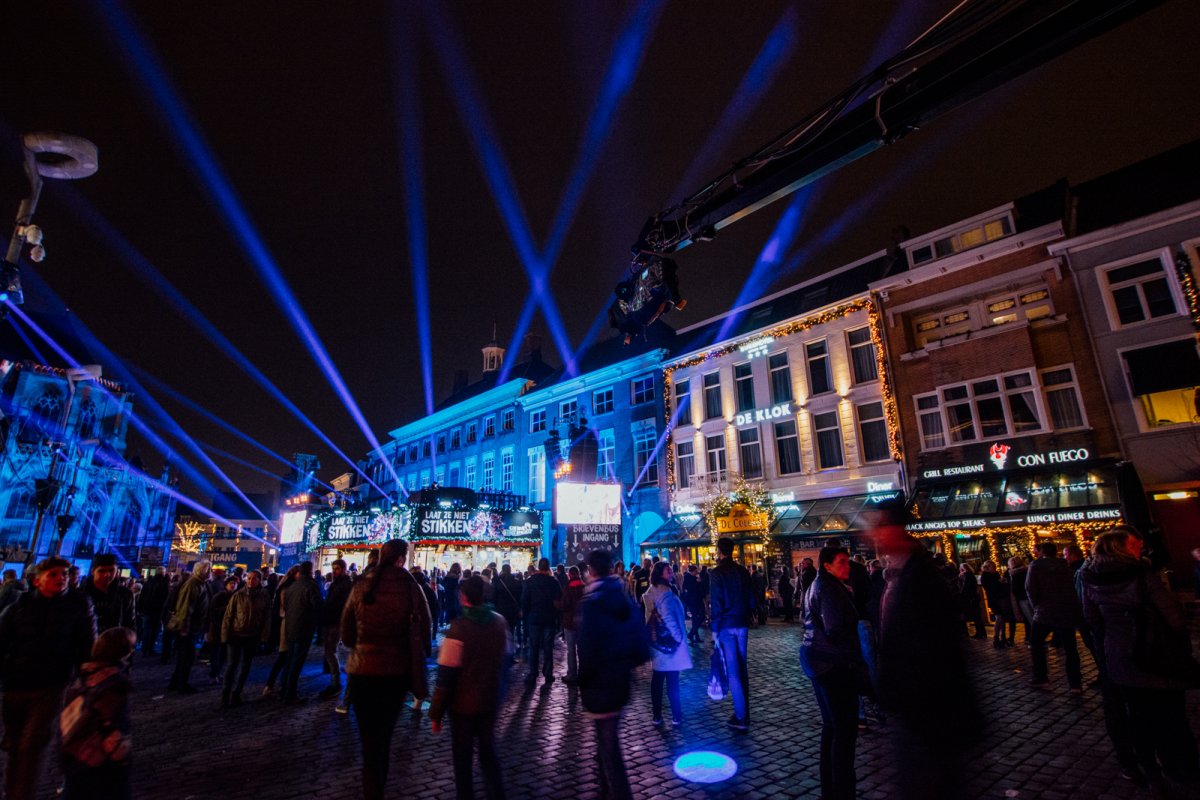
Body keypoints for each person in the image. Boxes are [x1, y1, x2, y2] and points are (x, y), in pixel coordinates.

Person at [1082, 528, 1200, 794]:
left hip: (1121, 659)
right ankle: (1182, 770)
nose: (1139, 550)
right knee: (1173, 717)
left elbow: (1092, 620)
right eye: (1134, 546)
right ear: (1121, 548)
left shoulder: (1089, 577)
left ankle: (1150, 771)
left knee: (1138, 718)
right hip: (1157, 654)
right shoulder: (1141, 575)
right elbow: (1174, 619)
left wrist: (1112, 642)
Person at [873, 514, 980, 800]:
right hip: (919, 706)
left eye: (880, 529)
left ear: (895, 531)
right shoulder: (910, 572)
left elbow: (929, 644)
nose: (874, 537)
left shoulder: (919, 577)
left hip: (926, 708)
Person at [341, 539, 431, 800]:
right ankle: (377, 787)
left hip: (362, 670)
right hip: (395, 672)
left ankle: (371, 788)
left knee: (369, 743)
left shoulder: (362, 585)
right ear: (401, 558)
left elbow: (347, 634)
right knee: (384, 738)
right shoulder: (411, 587)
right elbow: (425, 628)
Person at [0, 556, 96, 800]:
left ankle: (22, 793)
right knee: (13, 743)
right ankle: (13, 789)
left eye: (64, 574)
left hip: (52, 683)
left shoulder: (77, 605)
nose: (60, 579)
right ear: (37, 580)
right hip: (15, 683)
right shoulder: (18, 607)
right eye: (53, 574)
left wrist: (85, 674)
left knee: (33, 744)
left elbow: (86, 643)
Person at [429, 576, 511, 800]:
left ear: (464, 597)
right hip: (490, 698)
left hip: (463, 704)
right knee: (488, 753)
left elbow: (446, 676)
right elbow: (507, 659)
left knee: (463, 758)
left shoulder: (458, 628)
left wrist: (436, 713)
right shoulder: (499, 622)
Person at [578, 550, 648, 800]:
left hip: (599, 683)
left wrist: (583, 680)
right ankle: (605, 786)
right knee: (605, 740)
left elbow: (586, 648)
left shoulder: (591, 603)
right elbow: (640, 643)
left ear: (590, 570)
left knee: (609, 745)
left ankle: (618, 792)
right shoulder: (623, 597)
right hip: (620, 680)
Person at [800, 546, 862, 800]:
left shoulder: (822, 585)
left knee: (833, 727)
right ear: (827, 565)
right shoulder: (828, 588)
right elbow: (835, 628)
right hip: (832, 663)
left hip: (818, 659)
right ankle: (842, 790)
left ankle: (831, 788)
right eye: (842, 562)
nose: (847, 566)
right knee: (844, 729)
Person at [59, 627, 135, 800]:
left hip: (75, 756)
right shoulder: (114, 685)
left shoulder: (81, 679)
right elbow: (110, 726)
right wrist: (122, 758)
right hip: (98, 760)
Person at [709, 537, 753, 731]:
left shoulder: (717, 573)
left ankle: (741, 716)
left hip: (726, 625)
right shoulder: (742, 571)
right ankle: (745, 711)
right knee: (742, 668)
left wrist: (715, 630)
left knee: (733, 671)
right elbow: (751, 598)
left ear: (719, 551)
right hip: (741, 623)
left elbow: (716, 603)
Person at [1026, 542, 1082, 690]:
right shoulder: (1064, 565)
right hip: (1066, 609)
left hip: (1045, 610)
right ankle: (1075, 682)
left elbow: (1030, 588)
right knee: (1070, 647)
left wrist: (1036, 606)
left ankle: (1041, 676)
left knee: (1036, 642)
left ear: (1041, 552)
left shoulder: (1036, 565)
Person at [643, 561, 691, 726]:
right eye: (667, 570)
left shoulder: (652, 591)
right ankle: (676, 715)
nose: (670, 572)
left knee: (657, 679)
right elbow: (669, 617)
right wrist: (678, 638)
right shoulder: (665, 593)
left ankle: (657, 715)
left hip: (657, 642)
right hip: (669, 642)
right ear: (660, 574)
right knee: (672, 680)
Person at [220, 569, 271, 707]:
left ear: (259, 580)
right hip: (236, 634)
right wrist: (225, 635)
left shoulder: (264, 596)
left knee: (245, 666)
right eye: (249, 578)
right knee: (232, 665)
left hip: (252, 635)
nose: (250, 581)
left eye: (254, 578)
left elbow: (266, 618)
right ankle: (225, 694)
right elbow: (228, 616)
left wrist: (264, 637)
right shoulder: (238, 595)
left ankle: (237, 693)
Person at [165, 561, 211, 694]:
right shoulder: (193, 584)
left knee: (185, 656)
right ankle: (181, 684)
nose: (210, 573)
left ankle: (175, 682)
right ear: (201, 571)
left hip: (193, 627)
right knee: (186, 657)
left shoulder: (200, 584)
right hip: (187, 628)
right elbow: (185, 607)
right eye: (208, 570)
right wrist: (184, 627)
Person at [281, 561, 323, 704]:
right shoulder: (311, 586)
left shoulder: (292, 586)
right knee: (296, 662)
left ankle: (284, 689)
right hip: (303, 627)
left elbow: (286, 606)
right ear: (310, 570)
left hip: (291, 627)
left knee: (289, 660)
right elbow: (317, 606)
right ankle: (290, 694)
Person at [520, 558, 561, 689]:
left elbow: (524, 600)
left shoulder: (530, 582)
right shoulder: (553, 582)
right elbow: (558, 600)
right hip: (549, 618)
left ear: (539, 567)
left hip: (534, 617)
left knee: (534, 646)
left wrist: (526, 613)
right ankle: (548, 673)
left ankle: (533, 674)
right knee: (548, 647)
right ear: (548, 568)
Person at [319, 558, 353, 702]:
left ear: (344, 569)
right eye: (333, 569)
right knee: (330, 651)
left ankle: (336, 682)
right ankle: (335, 680)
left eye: (337, 569)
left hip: (335, 621)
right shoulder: (336, 584)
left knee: (330, 651)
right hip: (331, 620)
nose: (334, 571)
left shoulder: (345, 585)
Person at [82, 554, 135, 633]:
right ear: (93, 571)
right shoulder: (80, 594)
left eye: (111, 570)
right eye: (102, 571)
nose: (107, 574)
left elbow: (130, 623)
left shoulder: (125, 594)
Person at [206, 576, 239, 684]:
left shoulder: (236, 596)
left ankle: (217, 672)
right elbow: (212, 612)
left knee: (224, 653)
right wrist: (227, 609)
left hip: (230, 628)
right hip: (217, 627)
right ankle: (214, 673)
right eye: (231, 583)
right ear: (226, 584)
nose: (233, 585)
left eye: (235, 583)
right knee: (215, 653)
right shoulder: (219, 596)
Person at [559, 565, 585, 684]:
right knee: (582, 649)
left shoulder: (568, 588)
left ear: (570, 575)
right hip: (582, 622)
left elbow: (564, 605)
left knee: (571, 650)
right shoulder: (584, 587)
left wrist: (557, 604)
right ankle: (583, 672)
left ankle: (572, 674)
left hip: (569, 622)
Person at [979, 561, 1013, 648]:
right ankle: (996, 638)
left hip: (1001, 598)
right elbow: (991, 588)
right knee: (999, 618)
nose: (994, 568)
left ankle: (1003, 637)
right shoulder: (985, 576)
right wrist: (1000, 582)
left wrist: (1002, 582)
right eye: (992, 566)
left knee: (1002, 618)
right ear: (987, 567)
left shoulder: (996, 574)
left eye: (994, 566)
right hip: (994, 600)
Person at [136, 567, 168, 657]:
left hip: (146, 610)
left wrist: (140, 609)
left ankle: (144, 649)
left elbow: (142, 596)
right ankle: (150, 649)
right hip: (158, 611)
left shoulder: (148, 582)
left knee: (146, 630)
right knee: (155, 631)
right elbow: (165, 600)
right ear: (163, 573)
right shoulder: (164, 584)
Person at [958, 563, 987, 640]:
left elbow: (965, 587)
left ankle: (980, 633)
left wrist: (961, 594)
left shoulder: (966, 575)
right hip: (974, 598)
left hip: (971, 599)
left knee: (976, 616)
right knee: (977, 616)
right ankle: (982, 632)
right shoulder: (970, 574)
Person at [1008, 556, 1032, 643]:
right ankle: (1029, 637)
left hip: (1022, 598)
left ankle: (1035, 638)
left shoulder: (1015, 574)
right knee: (1029, 618)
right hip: (1029, 596)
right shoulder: (1027, 570)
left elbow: (1015, 589)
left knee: (1029, 618)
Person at [681, 564, 706, 640]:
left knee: (700, 616)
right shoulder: (688, 578)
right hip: (693, 601)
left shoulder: (695, 578)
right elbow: (690, 589)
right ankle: (695, 635)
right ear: (692, 571)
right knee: (695, 617)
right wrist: (698, 582)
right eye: (696, 571)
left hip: (697, 600)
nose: (697, 572)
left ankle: (692, 634)